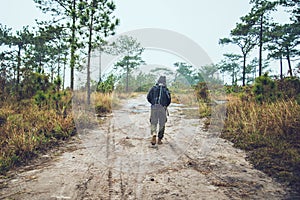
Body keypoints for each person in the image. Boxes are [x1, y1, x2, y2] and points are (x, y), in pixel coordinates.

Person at [147, 76, 171, 145]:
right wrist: (165, 105)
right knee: (162, 124)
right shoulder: (166, 89)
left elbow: (148, 97)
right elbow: (169, 100)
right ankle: (159, 139)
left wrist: (153, 103)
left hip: (154, 107)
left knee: (153, 122)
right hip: (162, 108)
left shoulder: (153, 88)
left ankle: (154, 134)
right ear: (165, 81)